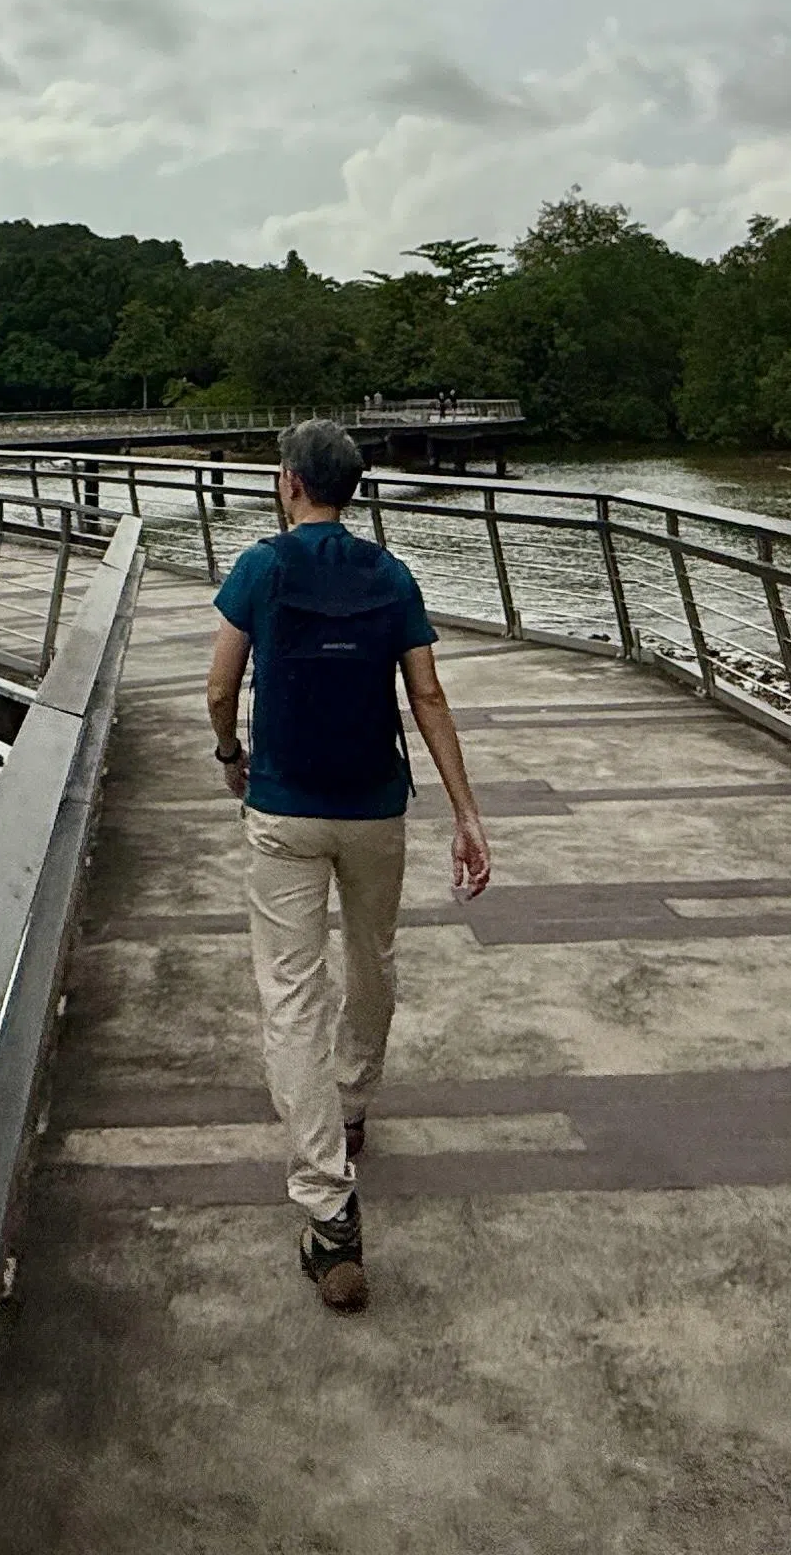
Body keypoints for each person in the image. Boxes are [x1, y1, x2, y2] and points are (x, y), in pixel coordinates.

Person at [206, 418, 494, 1312]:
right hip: (374, 811)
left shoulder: (260, 568)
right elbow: (429, 693)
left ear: (291, 483)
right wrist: (466, 812)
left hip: (284, 812)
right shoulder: (393, 576)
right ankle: (354, 1100)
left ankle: (329, 1214)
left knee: (291, 995)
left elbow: (220, 687)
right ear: (353, 489)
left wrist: (230, 755)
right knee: (371, 964)